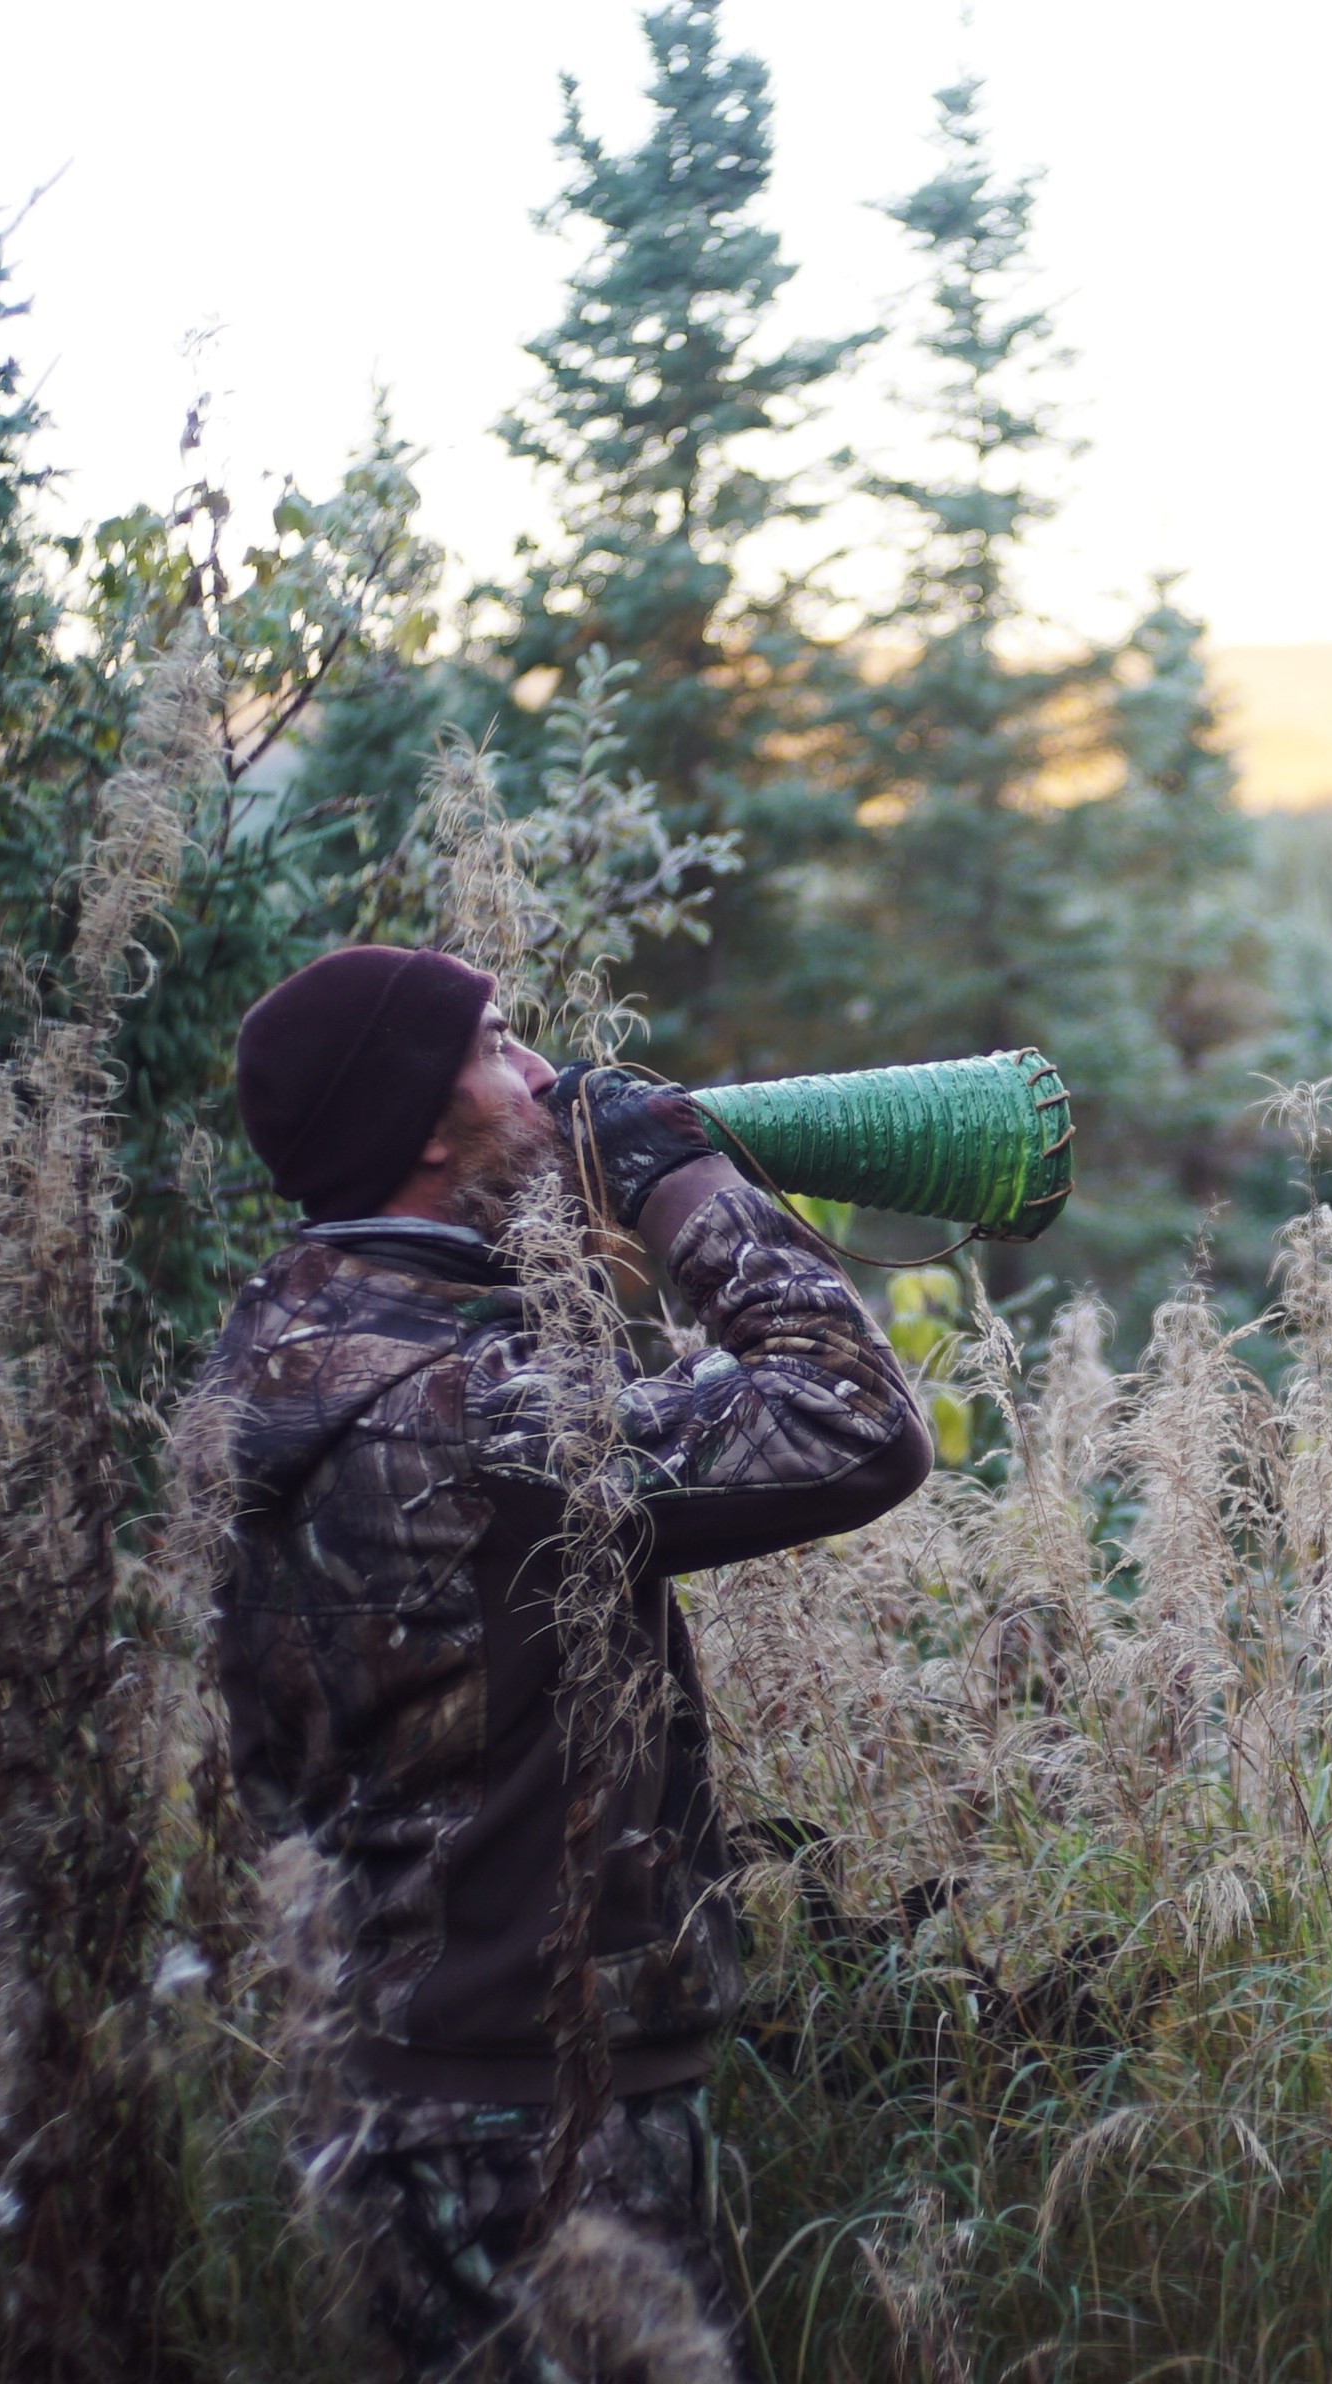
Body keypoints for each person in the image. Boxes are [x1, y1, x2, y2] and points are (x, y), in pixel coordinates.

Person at [195, 944, 930, 2382]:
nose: (544, 1075)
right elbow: (853, 1420)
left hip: (399, 2077)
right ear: (422, 1123)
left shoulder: (285, 1353)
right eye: (497, 1046)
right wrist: (681, 1181)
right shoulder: (481, 1414)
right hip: (547, 2115)